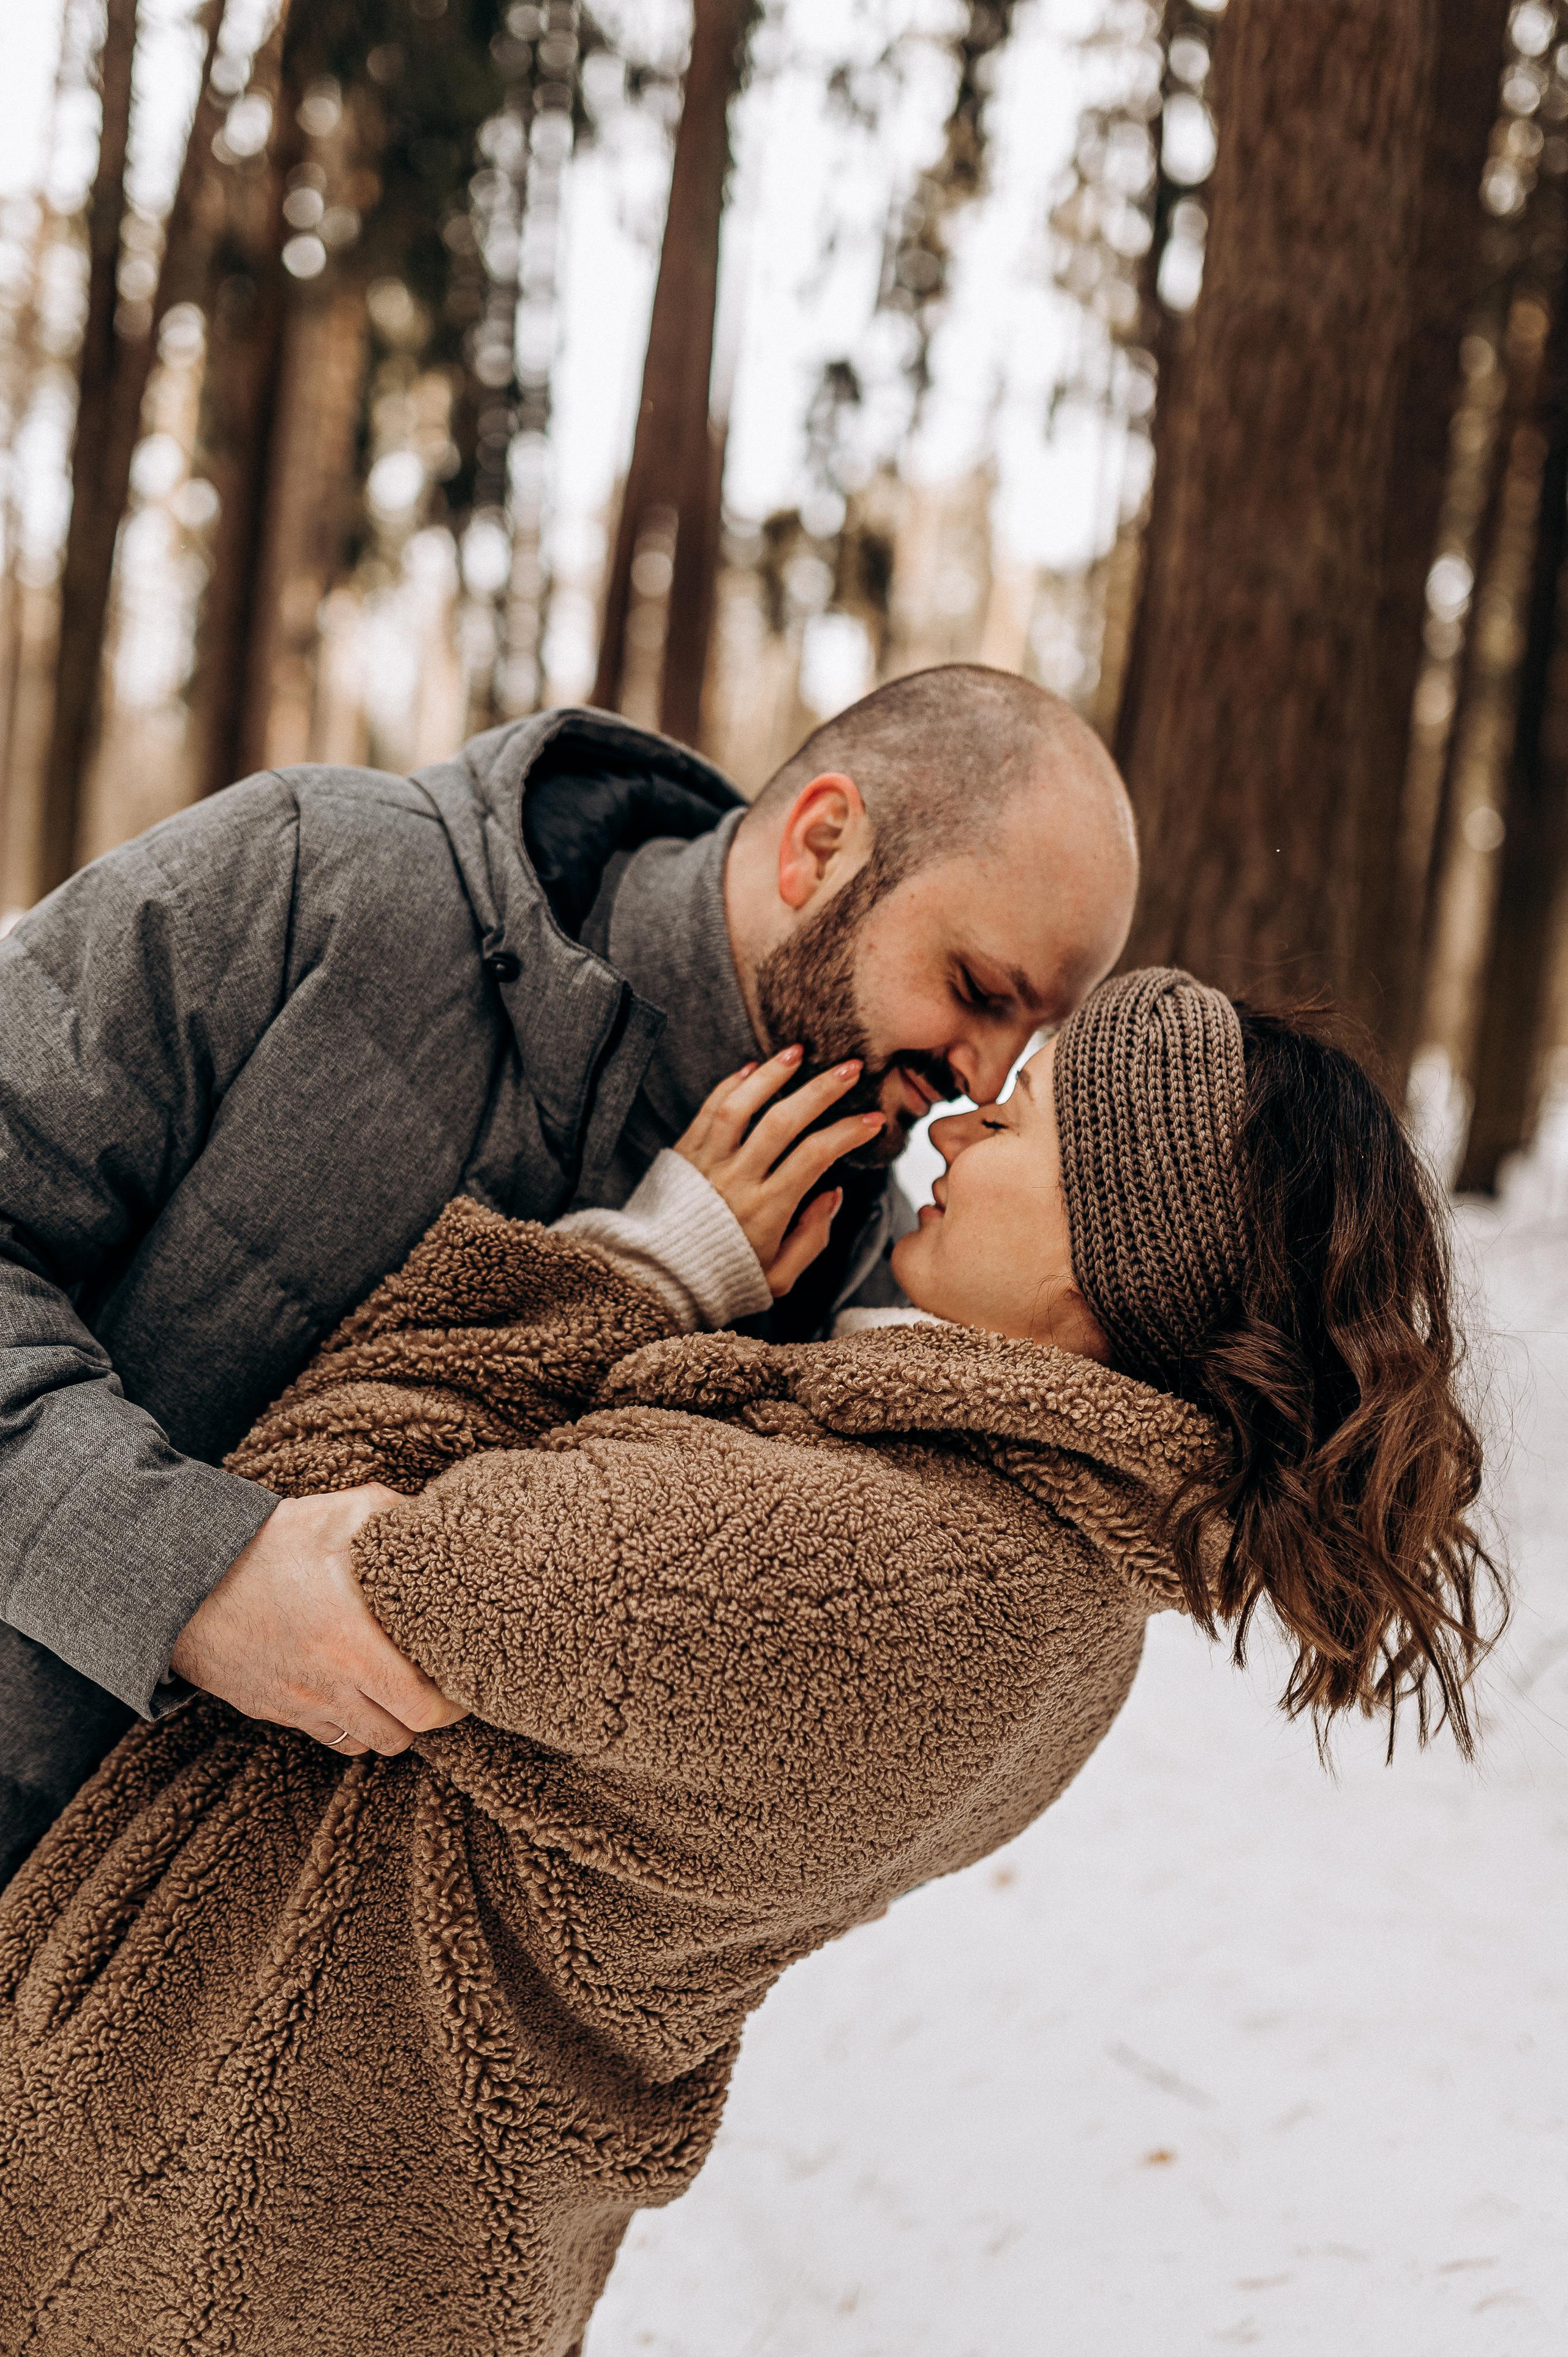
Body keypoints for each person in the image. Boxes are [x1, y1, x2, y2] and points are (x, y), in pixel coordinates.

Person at [0, 970, 1496, 2354]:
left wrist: (650, 1273)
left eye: (1021, 1115)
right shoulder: (1058, 1578)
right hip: (367, 2233)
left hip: (209, 2217)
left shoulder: (863, 1572)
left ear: (1112, 1256)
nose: (961, 1120)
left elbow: (301, 1524)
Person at [0, 665, 1139, 1879]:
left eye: (1033, 1038)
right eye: (977, 990)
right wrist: (193, 1576)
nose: (983, 1074)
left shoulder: (851, 1259)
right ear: (820, 843)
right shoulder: (318, 876)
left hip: (178, 2002)